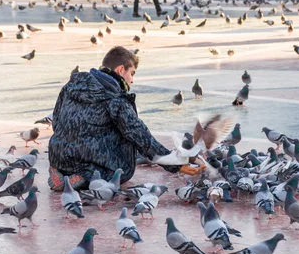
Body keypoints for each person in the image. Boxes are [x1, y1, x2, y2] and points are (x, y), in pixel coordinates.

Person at [48, 46, 203, 191]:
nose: (132, 80)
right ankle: (85, 177)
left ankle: (60, 171)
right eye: (132, 73)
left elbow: (56, 121)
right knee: (121, 169)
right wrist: (176, 164)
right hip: (90, 164)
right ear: (121, 70)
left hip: (59, 157)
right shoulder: (115, 99)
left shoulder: (70, 87)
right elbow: (140, 136)